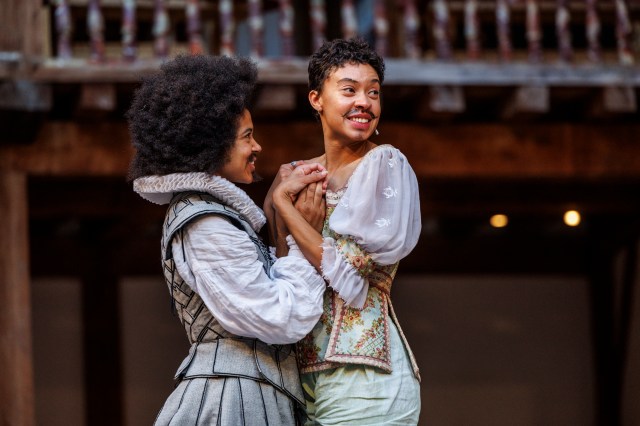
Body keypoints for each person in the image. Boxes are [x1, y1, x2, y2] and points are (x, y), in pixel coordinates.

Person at [126, 54, 330, 425]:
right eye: (247, 136)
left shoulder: (216, 217)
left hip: (249, 392)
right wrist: (305, 241)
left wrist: (280, 213)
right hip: (232, 400)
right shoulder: (205, 224)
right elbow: (278, 315)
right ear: (211, 144)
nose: (257, 147)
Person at [265, 37, 422, 425]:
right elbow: (284, 270)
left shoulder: (385, 164)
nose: (364, 103)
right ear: (316, 99)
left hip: (367, 377)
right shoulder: (298, 173)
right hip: (301, 374)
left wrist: (285, 205)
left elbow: (352, 277)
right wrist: (275, 202)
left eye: (373, 93)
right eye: (349, 90)